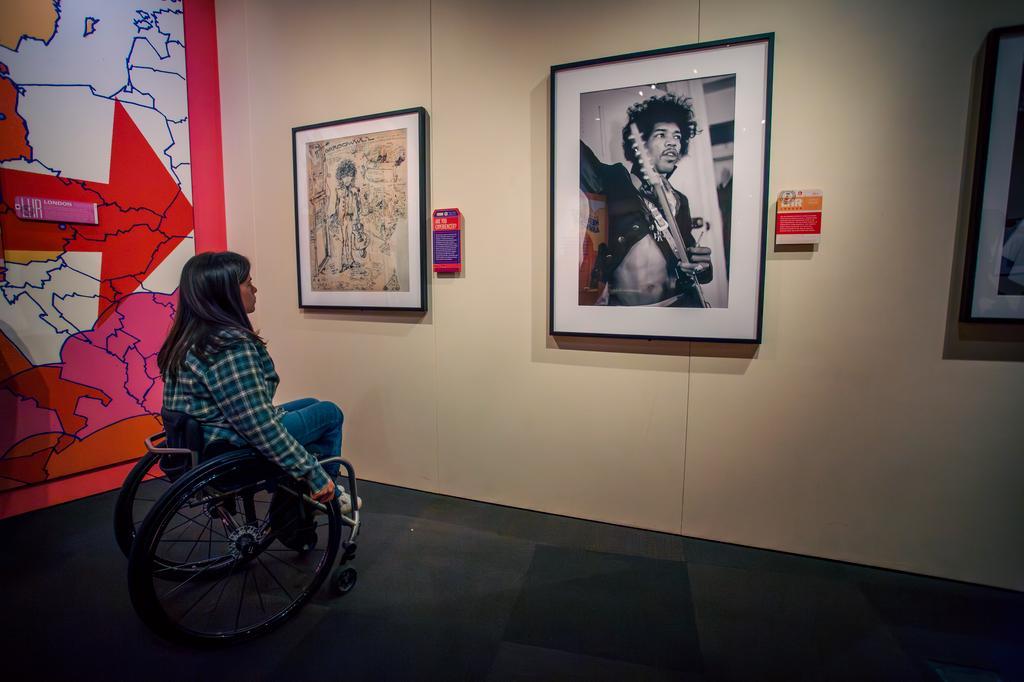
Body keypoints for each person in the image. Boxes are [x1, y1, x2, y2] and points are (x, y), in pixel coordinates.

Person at [157, 251, 355, 509]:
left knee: (311, 403)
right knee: (329, 413)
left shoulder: (189, 338)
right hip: (227, 448)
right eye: (248, 283)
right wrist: (311, 472)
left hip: (203, 441)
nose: (255, 289)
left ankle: (296, 494)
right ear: (226, 293)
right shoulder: (228, 346)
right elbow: (257, 424)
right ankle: (323, 495)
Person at [581, 92, 713, 306]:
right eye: (661, 135)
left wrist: (702, 266)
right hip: (631, 315)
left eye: (677, 137)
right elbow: (576, 154)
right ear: (639, 144)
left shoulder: (679, 200)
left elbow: (691, 261)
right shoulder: (614, 182)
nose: (672, 143)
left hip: (680, 305)